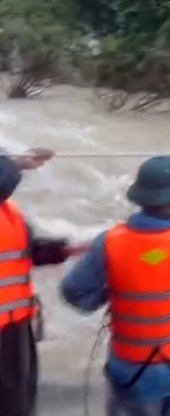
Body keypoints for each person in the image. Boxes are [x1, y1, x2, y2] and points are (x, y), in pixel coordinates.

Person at [60, 155, 170, 416]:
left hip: (133, 374)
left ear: (140, 198)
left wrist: (112, 294)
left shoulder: (108, 242)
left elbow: (74, 293)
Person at [0, 147, 87, 416]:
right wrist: (16, 163)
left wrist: (66, 250)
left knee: (19, 400)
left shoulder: (9, 213)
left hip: (14, 328)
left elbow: (23, 251)